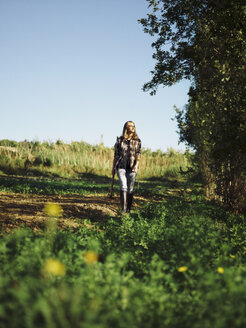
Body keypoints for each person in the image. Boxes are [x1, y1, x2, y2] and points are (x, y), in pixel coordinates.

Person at [112, 121, 141, 213]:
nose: (133, 127)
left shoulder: (137, 141)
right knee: (123, 186)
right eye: (130, 126)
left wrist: (136, 166)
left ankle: (128, 209)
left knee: (130, 188)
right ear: (126, 128)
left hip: (132, 167)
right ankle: (123, 210)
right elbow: (116, 155)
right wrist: (113, 168)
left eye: (134, 126)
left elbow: (138, 155)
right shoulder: (120, 140)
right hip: (121, 166)